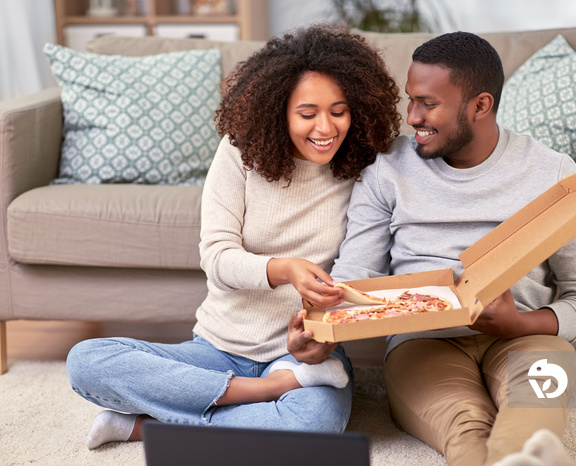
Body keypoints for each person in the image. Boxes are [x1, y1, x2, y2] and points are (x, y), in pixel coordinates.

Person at [66, 24, 401, 450]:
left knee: (313, 427)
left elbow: (355, 275)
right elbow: (218, 258)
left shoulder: (362, 167)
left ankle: (145, 427)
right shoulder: (239, 152)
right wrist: (283, 270)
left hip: (302, 352)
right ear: (278, 110)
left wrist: (321, 339)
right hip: (219, 348)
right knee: (86, 361)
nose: (326, 127)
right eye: (307, 113)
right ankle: (264, 392)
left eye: (339, 110)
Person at [288, 32, 576, 466]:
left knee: (533, 413)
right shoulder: (387, 169)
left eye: (428, 103)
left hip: (529, 337)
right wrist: (323, 333)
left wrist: (518, 324)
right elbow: (354, 279)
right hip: (423, 344)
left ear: (480, 105)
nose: (412, 117)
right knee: (465, 426)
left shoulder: (553, 174)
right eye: (411, 100)